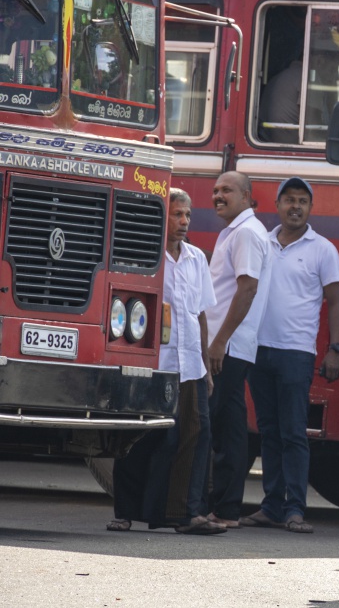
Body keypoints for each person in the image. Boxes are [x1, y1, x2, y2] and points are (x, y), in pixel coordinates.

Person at [107, 189, 225, 535]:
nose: (184, 222)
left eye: (187, 215)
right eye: (177, 215)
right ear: (162, 218)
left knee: (195, 434)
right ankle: (125, 512)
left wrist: (205, 367)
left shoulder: (196, 258)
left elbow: (200, 315)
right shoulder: (147, 257)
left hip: (190, 364)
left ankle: (183, 514)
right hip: (153, 363)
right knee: (142, 437)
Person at [239, 177, 339, 534]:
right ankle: (271, 506)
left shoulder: (323, 249)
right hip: (259, 349)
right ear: (278, 205)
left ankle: (295, 508)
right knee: (268, 432)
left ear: (310, 208)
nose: (295, 207)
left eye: (302, 201)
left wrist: (335, 349)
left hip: (297, 353)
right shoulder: (263, 242)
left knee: (293, 433)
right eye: (288, 200)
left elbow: (335, 302)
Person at [202, 171, 273, 528]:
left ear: (246, 196)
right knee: (230, 429)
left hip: (226, 346)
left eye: (227, 190)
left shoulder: (245, 233)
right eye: (215, 190)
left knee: (206, 425)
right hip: (233, 345)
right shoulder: (240, 231)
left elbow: (247, 289)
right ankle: (226, 509)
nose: (218, 196)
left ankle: (198, 506)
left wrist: (218, 341)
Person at [259, 46, 339, 144]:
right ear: (319, 62)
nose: (338, 76)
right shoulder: (310, 79)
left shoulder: (282, 76)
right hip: (290, 148)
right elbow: (313, 132)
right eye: (333, 69)